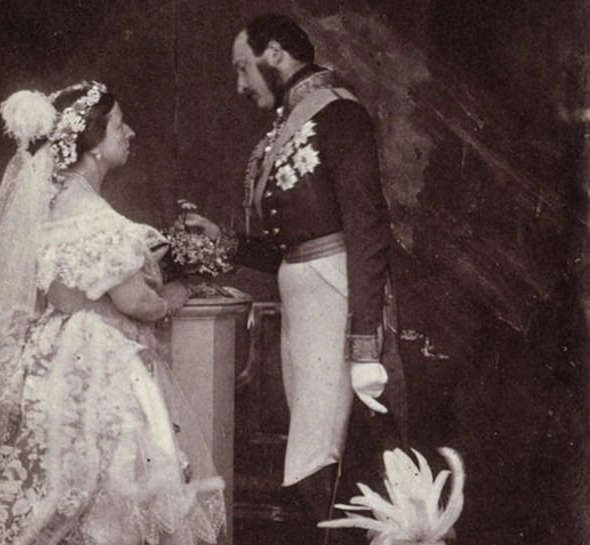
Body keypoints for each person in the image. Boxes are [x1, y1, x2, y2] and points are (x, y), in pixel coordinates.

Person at [0, 81, 225, 545]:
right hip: (98, 362)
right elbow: (136, 303)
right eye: (119, 125)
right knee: (104, 482)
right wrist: (177, 294)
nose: (130, 133)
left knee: (46, 476)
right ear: (92, 144)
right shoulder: (100, 220)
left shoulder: (48, 207)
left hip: (47, 356)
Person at [185, 13, 403, 544]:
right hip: (304, 313)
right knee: (320, 462)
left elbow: (367, 229)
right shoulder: (288, 125)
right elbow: (292, 248)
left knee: (324, 459)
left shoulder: (339, 115)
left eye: (244, 68)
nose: (240, 84)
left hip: (336, 305)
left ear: (276, 54)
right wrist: (226, 242)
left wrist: (364, 341)